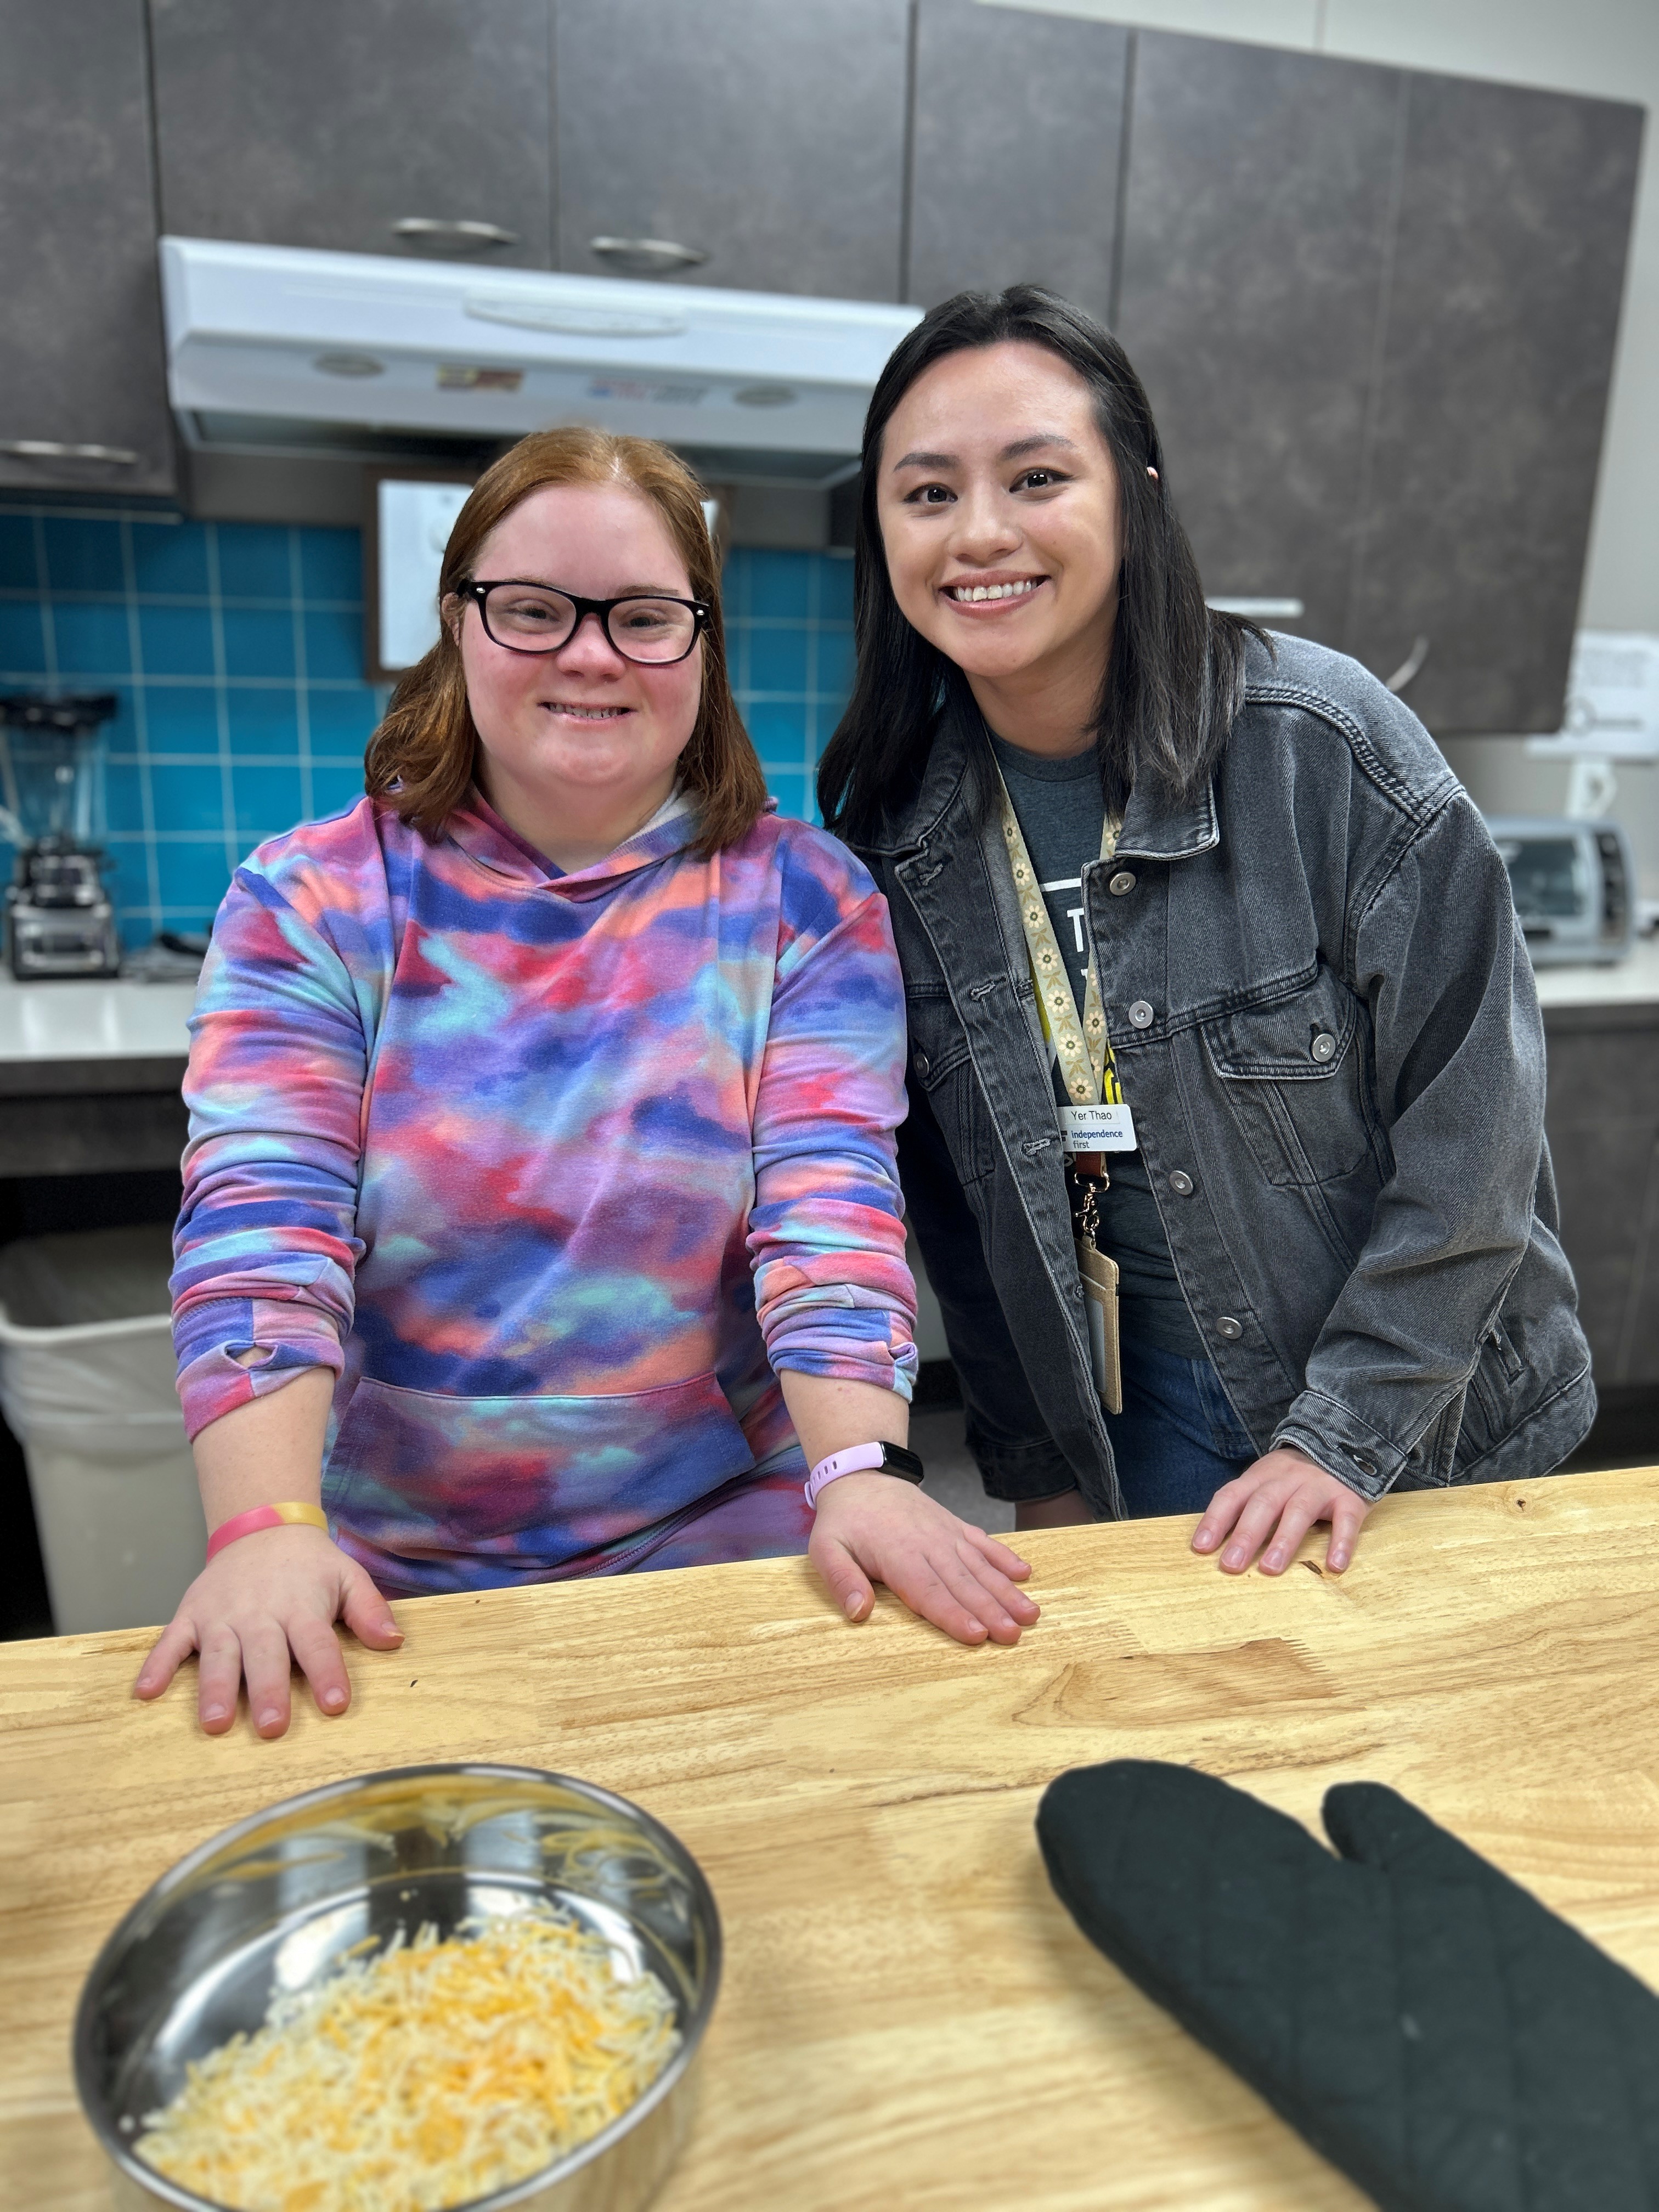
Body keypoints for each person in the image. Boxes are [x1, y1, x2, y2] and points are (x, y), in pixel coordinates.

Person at [137, 427, 1037, 1739]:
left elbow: (828, 1215)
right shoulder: (316, 897)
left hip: (728, 1528)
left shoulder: (804, 903)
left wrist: (866, 1471)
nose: (591, 653)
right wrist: (266, 1528)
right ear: (459, 625)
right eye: (535, 610)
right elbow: (261, 1231)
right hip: (381, 1565)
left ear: (702, 642)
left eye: (642, 615)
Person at [817, 286, 1594, 1576]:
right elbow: (968, 1223)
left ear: (1135, 493)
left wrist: (1338, 1437)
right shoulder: (898, 838)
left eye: (1037, 476)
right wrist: (1038, 1468)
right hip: (1145, 1427)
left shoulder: (1321, 748)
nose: (982, 533)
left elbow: (1480, 1134)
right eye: (929, 493)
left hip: (1430, 1419)